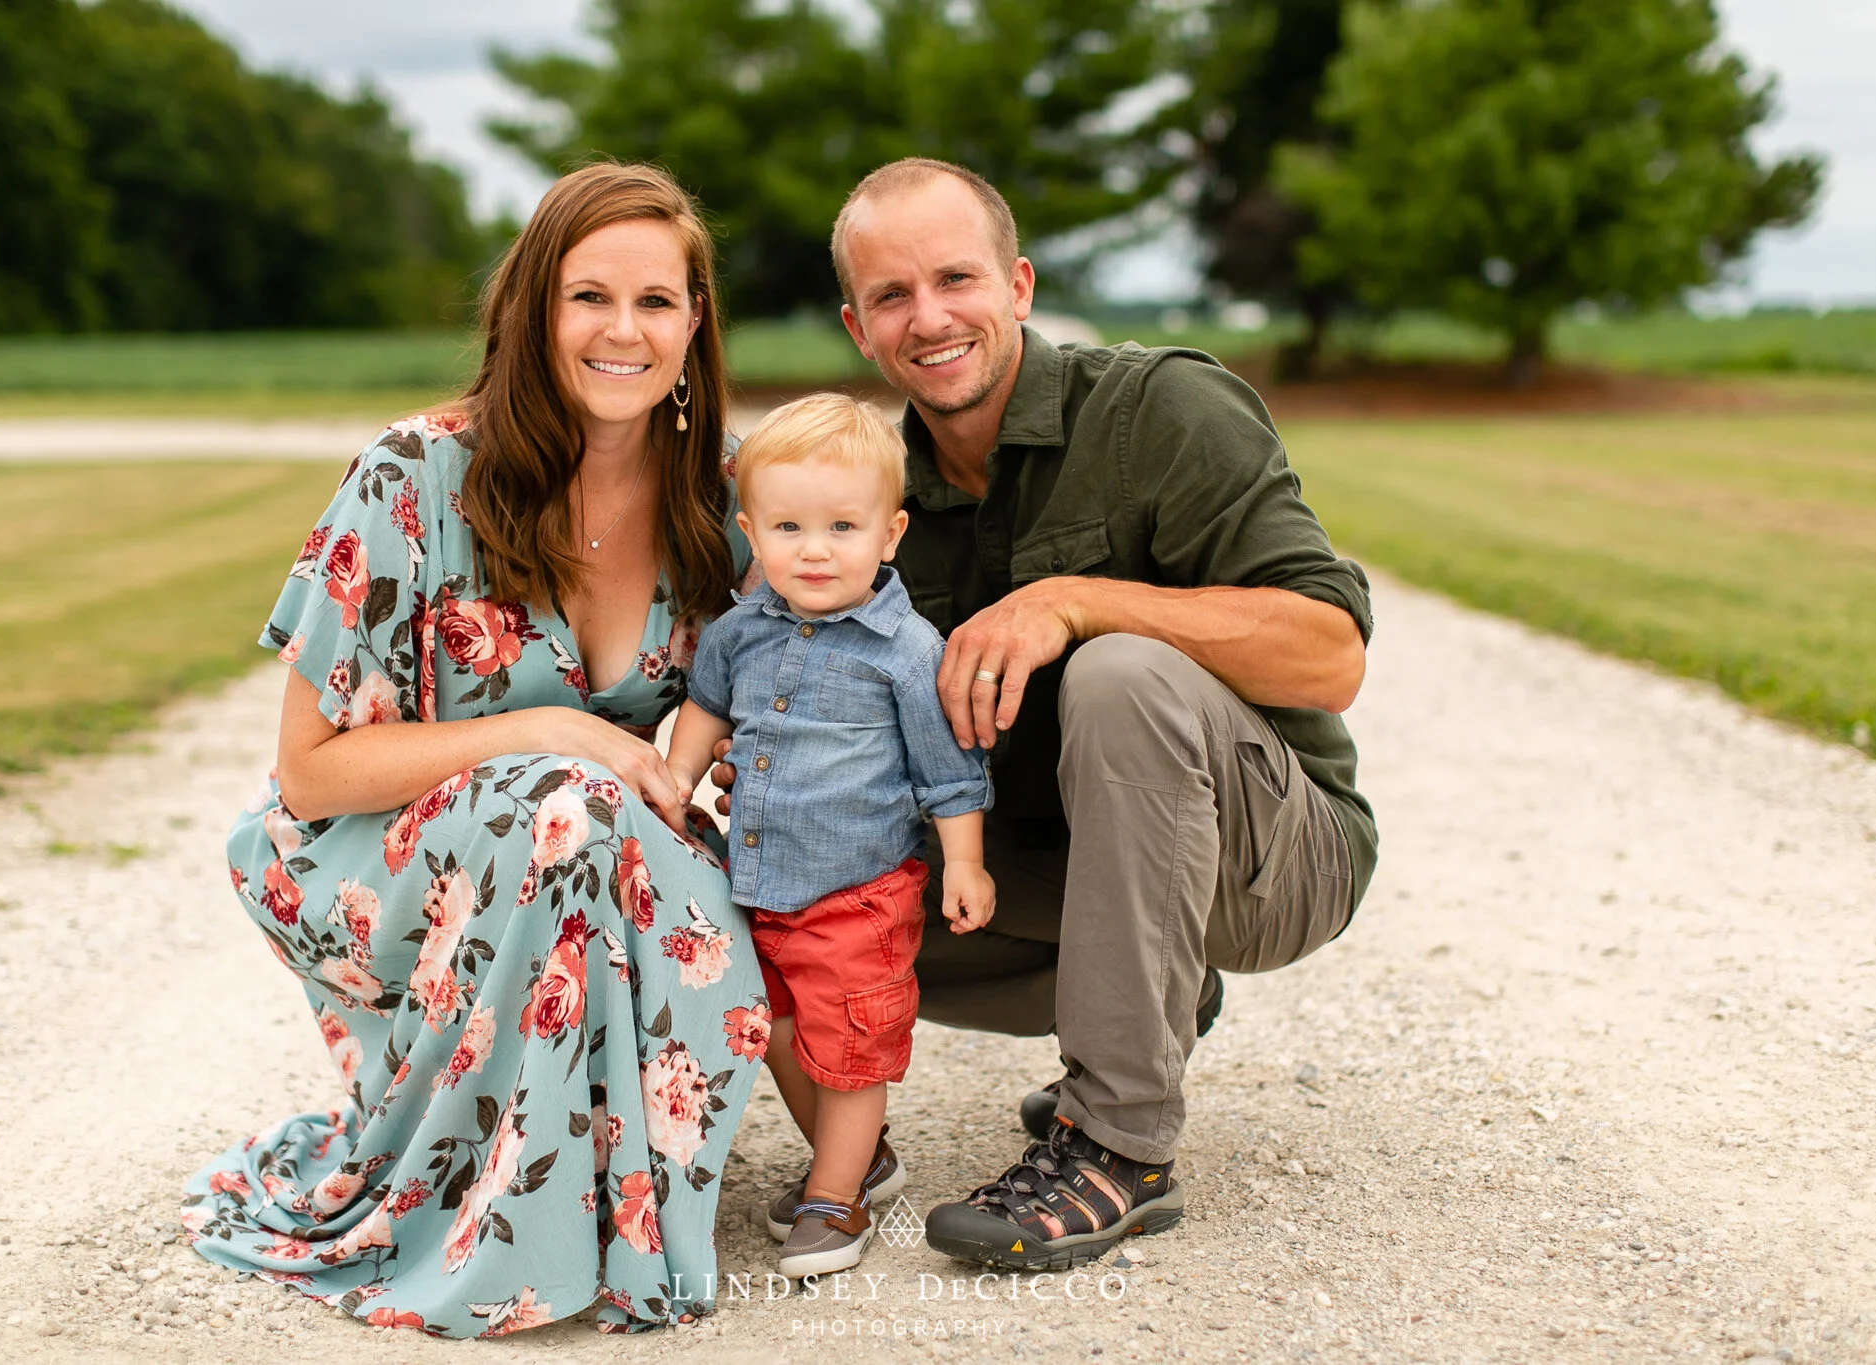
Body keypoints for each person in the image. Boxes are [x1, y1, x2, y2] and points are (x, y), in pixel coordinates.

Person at [182, 163, 772, 1338]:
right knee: (568, 797)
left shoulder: (722, 493)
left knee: (646, 843)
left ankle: (631, 1194)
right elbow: (311, 773)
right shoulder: (413, 475)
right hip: (362, 863)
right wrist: (555, 730)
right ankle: (507, 1231)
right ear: (531, 311)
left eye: (657, 301)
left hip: (565, 849)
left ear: (694, 322)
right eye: (586, 296)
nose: (623, 330)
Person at [805, 157, 1379, 1270]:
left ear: (1016, 286)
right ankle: (1144, 1009)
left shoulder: (1158, 409)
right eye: (890, 297)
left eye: (955, 279)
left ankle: (1119, 1143)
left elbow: (1330, 656)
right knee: (795, 866)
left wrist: (1073, 601)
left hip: (1273, 858)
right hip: (1061, 873)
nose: (929, 318)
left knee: (1122, 671)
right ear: (856, 328)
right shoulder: (868, 505)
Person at [666, 393, 995, 1278]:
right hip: (758, 884)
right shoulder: (740, 632)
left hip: (859, 892)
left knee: (849, 1048)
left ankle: (834, 1194)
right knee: (773, 1023)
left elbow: (949, 771)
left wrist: (963, 860)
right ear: (752, 531)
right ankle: (856, 1159)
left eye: (842, 526)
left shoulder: (905, 650)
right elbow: (704, 709)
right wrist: (674, 783)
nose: (815, 549)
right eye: (789, 527)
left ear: (889, 534)